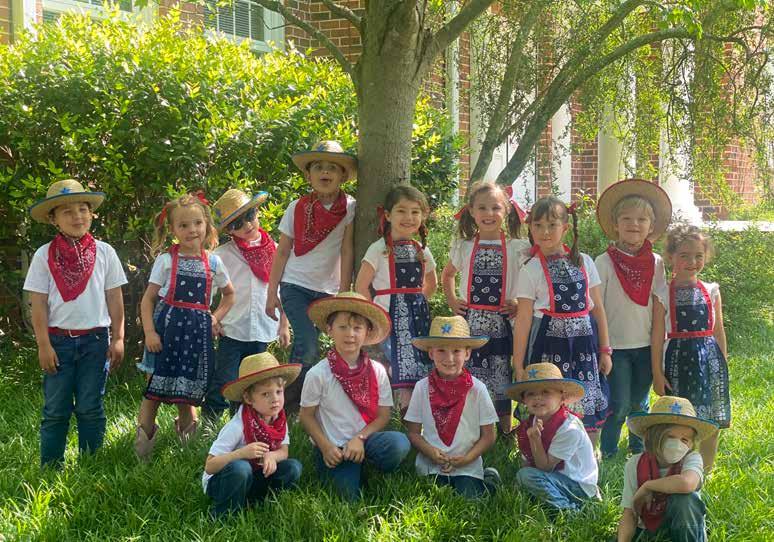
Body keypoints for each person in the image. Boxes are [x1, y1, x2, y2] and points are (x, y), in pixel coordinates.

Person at [24, 179, 127, 467]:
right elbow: (38, 303)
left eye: (83, 209)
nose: (77, 216)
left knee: (90, 406)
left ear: (91, 214)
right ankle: (51, 466)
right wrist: (43, 345)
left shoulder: (105, 252)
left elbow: (115, 298)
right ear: (53, 219)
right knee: (55, 409)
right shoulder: (43, 255)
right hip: (58, 343)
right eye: (67, 211)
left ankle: (91, 465)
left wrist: (119, 337)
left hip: (96, 341)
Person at [134, 192, 235, 460]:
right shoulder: (166, 261)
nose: (192, 230)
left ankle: (186, 452)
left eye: (197, 223)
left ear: (206, 224)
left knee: (187, 394)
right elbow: (148, 299)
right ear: (173, 230)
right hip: (164, 334)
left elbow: (229, 294)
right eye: (184, 225)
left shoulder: (214, 262)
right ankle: (142, 455)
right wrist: (149, 332)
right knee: (153, 393)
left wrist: (215, 317)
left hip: (195, 337)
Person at [512, 195, 612, 446]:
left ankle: (588, 454)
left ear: (565, 228)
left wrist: (605, 350)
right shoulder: (530, 269)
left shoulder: (584, 261)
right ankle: (544, 453)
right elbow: (523, 320)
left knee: (586, 396)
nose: (545, 232)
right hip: (547, 345)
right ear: (530, 228)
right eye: (538, 225)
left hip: (584, 345)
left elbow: (598, 309)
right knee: (547, 398)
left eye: (552, 225)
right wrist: (518, 364)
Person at [266, 141, 357, 403]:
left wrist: (343, 293)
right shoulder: (296, 207)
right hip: (295, 285)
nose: (325, 172)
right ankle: (288, 404)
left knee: (312, 349)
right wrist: (271, 293)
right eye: (318, 167)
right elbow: (282, 251)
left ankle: (299, 402)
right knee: (307, 343)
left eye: (332, 168)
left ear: (343, 176)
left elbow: (347, 250)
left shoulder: (350, 207)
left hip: (327, 292)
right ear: (308, 175)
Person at [299, 292, 410, 501]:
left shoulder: (377, 371)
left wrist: (359, 438)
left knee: (399, 444)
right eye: (342, 327)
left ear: (367, 332)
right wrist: (325, 447)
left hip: (364, 439)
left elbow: (383, 416)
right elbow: (306, 416)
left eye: (357, 328)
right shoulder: (318, 374)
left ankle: (368, 462)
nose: (350, 334)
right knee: (345, 500)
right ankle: (345, 467)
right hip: (335, 448)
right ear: (330, 330)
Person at [441, 181, 529, 435]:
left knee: (501, 373)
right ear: (471, 211)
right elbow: (447, 275)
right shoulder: (465, 245)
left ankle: (504, 429)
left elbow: (531, 281)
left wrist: (518, 303)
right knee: (471, 371)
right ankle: (472, 424)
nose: (489, 214)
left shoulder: (517, 247)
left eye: (495, 208)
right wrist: (452, 300)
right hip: (472, 322)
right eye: (482, 208)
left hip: (503, 321)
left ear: (507, 211)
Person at [595, 179, 672, 459]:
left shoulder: (656, 263)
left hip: (646, 345)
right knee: (619, 403)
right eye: (626, 219)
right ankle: (609, 451)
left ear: (651, 227)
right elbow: (596, 308)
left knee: (640, 402)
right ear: (615, 224)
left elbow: (659, 306)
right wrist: (602, 347)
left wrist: (660, 346)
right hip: (616, 346)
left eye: (641, 219)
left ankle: (638, 450)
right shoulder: (603, 262)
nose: (634, 224)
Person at [203, 189, 291, 421]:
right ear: (229, 231)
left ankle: (243, 423)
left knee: (253, 383)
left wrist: (284, 323)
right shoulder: (222, 255)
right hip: (232, 330)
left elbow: (283, 290)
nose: (247, 225)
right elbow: (206, 291)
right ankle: (209, 423)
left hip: (262, 329)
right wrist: (211, 318)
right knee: (225, 379)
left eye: (249, 216)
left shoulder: (276, 250)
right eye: (237, 224)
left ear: (257, 212)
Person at [653, 225, 730, 472]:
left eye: (698, 255)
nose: (692, 262)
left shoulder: (712, 290)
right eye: (684, 255)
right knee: (678, 418)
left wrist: (723, 363)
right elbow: (657, 336)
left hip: (709, 362)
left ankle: (704, 471)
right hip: (678, 362)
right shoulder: (662, 294)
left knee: (710, 419)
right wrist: (657, 373)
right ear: (671, 257)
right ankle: (675, 467)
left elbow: (718, 331)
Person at [354, 185, 437, 414]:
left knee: (419, 362)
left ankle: (415, 413)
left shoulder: (422, 250)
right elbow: (361, 286)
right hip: (387, 316)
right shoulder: (378, 249)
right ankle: (395, 411)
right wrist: (374, 314)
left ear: (423, 216)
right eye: (401, 211)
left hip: (417, 318)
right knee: (393, 361)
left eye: (415, 212)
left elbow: (432, 283)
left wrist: (417, 302)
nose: (408, 217)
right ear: (388, 215)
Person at [405, 315, 501, 499]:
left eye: (456, 351)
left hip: (467, 465)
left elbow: (489, 436)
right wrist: (430, 452)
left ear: (467, 353)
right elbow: (413, 433)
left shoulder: (477, 389)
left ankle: (488, 480)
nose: (449, 358)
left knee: (470, 502)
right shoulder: (421, 387)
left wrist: (468, 458)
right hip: (431, 465)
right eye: (441, 350)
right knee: (432, 499)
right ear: (431, 353)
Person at [203, 353, 303, 518]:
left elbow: (284, 451)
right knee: (241, 468)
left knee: (293, 467)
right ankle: (224, 515)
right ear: (248, 398)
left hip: (254, 475)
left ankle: (258, 502)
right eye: (265, 394)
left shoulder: (278, 419)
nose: (275, 399)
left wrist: (272, 456)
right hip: (223, 482)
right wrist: (241, 453)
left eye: (279, 391)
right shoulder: (237, 426)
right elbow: (210, 466)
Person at [617, 396, 718, 542]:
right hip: (648, 529)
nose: (677, 444)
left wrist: (648, 486)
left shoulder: (692, 458)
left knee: (685, 499)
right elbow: (629, 513)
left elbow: (686, 483)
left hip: (686, 528)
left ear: (691, 444)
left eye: (684, 440)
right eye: (670, 436)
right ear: (651, 436)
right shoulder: (635, 464)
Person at [508, 363, 599, 511]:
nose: (538, 398)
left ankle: (568, 510)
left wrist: (535, 440)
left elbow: (545, 467)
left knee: (526, 476)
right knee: (523, 477)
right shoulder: (529, 424)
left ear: (562, 397)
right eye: (530, 394)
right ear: (524, 400)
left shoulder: (569, 428)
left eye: (546, 392)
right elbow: (527, 461)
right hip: (553, 477)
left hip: (577, 485)